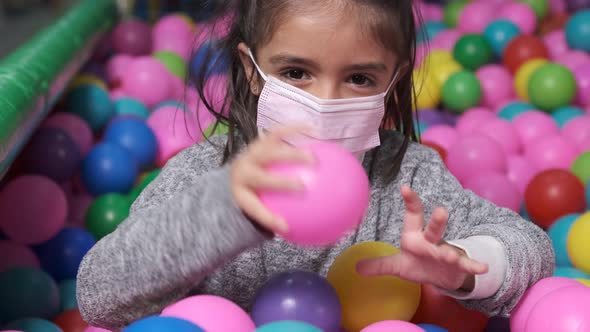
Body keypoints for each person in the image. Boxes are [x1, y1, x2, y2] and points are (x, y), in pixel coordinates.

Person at [77, 0, 554, 330]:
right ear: (252, 71)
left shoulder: (407, 178)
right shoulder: (205, 177)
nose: (323, 102)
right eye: (296, 72)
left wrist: (465, 267)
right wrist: (223, 213)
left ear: (393, 82)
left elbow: (533, 247)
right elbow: (98, 294)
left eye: (359, 78)